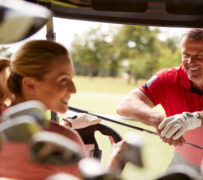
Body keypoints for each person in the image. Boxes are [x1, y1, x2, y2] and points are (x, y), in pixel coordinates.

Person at [117, 28, 203, 171]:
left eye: (199, 56)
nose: (190, 62)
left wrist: (195, 118)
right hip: (182, 163)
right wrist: (160, 121)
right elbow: (126, 104)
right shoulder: (168, 78)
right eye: (186, 55)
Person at [0, 40, 127, 180]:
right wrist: (116, 159)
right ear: (30, 85)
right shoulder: (67, 139)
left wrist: (66, 125)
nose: (73, 90)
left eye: (71, 78)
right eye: (63, 80)